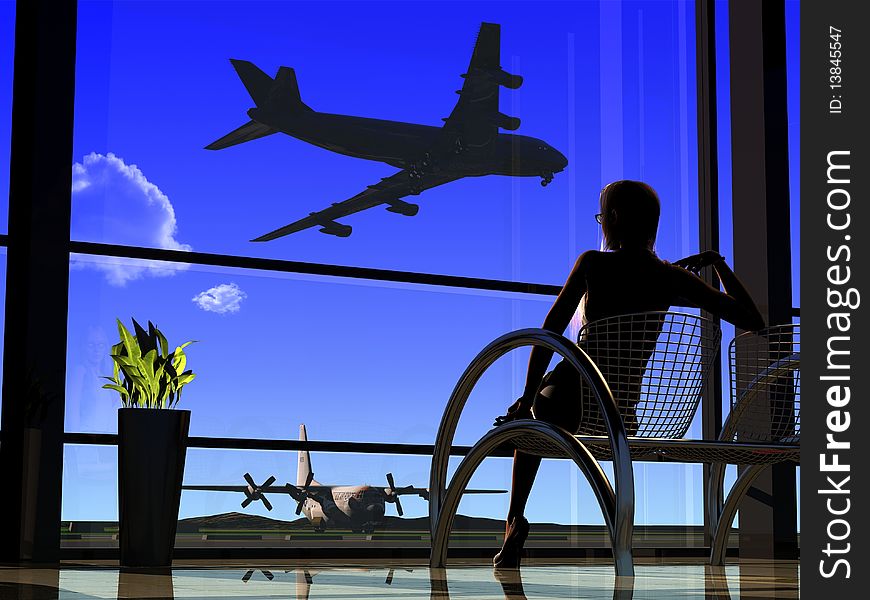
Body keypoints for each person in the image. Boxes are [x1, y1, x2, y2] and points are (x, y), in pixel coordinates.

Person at [491, 180, 764, 569]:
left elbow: (549, 332)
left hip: (570, 398)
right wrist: (717, 264)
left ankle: (514, 519)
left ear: (614, 219)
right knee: (536, 416)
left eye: (603, 216)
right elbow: (753, 320)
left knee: (531, 420)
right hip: (622, 412)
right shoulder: (671, 277)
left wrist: (527, 395)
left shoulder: (592, 263)